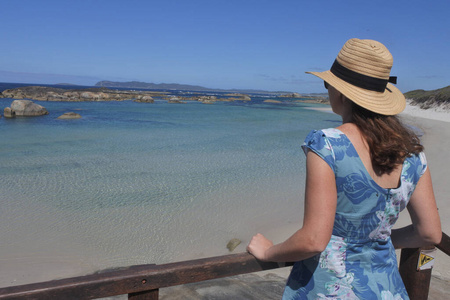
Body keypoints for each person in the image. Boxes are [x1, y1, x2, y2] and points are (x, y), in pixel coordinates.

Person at [247, 38, 442, 299]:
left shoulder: (328, 144)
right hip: (385, 289)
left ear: (340, 92)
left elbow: (313, 240)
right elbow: (429, 232)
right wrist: (375, 239)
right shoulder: (412, 153)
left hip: (328, 289)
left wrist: (268, 252)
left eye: (328, 84)